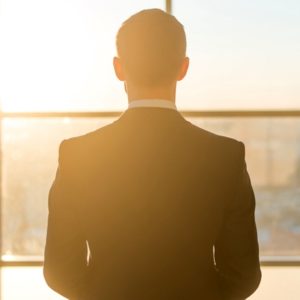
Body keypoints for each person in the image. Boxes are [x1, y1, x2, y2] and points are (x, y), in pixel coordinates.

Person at [44, 8, 261, 300]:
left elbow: (59, 272)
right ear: (183, 68)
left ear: (118, 68)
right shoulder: (226, 156)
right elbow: (243, 276)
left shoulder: (77, 155)